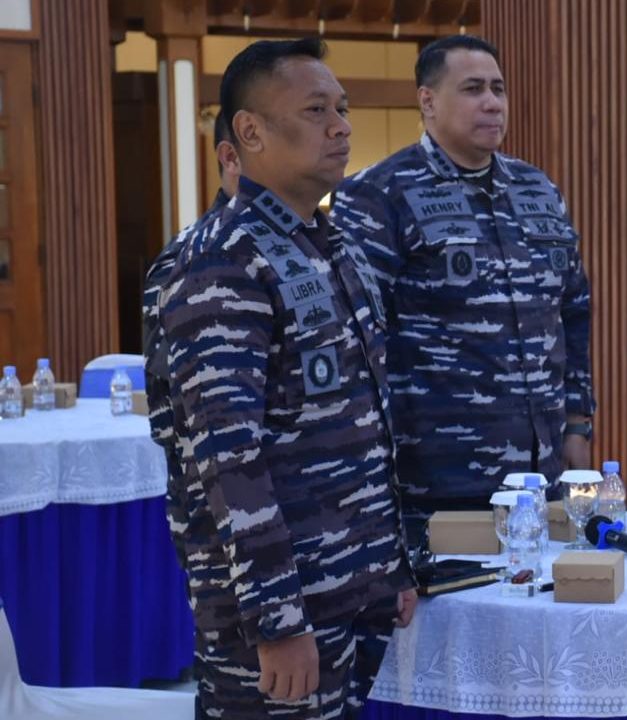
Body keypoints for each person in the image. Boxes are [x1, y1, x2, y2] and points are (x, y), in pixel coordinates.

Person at [155, 38, 416, 717]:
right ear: (250, 132)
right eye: (316, 110)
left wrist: (391, 566)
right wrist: (278, 619)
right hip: (280, 612)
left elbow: (366, 420)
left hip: (355, 589)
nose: (341, 127)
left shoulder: (331, 245)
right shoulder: (221, 261)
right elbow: (227, 456)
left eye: (343, 109)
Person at [332, 35, 595, 521]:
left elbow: (573, 309)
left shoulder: (537, 189)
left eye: (499, 88)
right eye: (473, 89)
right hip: (438, 480)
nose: (493, 103)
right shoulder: (379, 194)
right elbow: (358, 337)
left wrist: (578, 424)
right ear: (428, 101)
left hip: (542, 473)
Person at [143, 110, 240, 491]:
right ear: (231, 157)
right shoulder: (191, 258)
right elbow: (177, 420)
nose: (339, 129)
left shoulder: (318, 245)